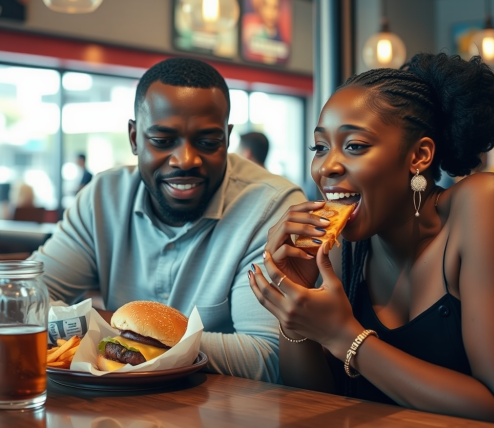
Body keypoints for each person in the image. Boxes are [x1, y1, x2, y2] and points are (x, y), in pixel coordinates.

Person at [249, 53, 494, 421]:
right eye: (320, 147)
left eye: (354, 146)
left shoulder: (481, 203)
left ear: (419, 155)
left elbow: (493, 407)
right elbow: (313, 401)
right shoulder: (343, 246)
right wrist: (296, 307)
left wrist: (345, 337)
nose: (327, 167)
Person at [30, 57, 306, 382]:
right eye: (162, 141)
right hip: (113, 408)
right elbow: (22, 299)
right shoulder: (103, 197)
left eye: (207, 142)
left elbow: (268, 356)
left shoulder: (272, 207)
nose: (185, 160)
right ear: (134, 138)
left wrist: (122, 333)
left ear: (227, 139)